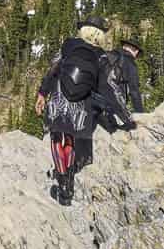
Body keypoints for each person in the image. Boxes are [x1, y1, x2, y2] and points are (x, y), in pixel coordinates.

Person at [34, 17, 141, 206]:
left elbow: (54, 70)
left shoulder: (69, 44)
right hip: (82, 103)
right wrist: (127, 118)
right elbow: (108, 88)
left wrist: (42, 93)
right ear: (99, 34)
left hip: (60, 96)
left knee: (57, 138)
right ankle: (69, 183)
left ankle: (62, 179)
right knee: (71, 139)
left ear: (83, 30)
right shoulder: (101, 56)